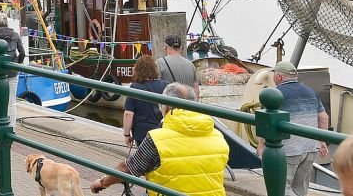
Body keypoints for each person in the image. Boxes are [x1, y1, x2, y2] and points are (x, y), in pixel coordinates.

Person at [91, 83, 229, 195]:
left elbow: (128, 168)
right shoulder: (218, 137)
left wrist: (102, 182)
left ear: (166, 107)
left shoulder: (156, 139)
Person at [258, 61, 330, 196]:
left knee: (282, 188)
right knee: (300, 188)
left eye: (274, 74)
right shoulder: (311, 91)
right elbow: (324, 118)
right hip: (311, 148)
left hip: (288, 150)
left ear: (279, 76)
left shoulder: (274, 94)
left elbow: (266, 122)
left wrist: (261, 146)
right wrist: (322, 141)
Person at [124, 55, 169, 146]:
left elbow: (128, 114)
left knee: (143, 155)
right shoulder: (165, 85)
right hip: (161, 131)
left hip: (142, 132)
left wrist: (127, 134)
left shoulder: (134, 87)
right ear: (154, 69)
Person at [0, 12, 26, 123]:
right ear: (7, 22)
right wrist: (17, 63)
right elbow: (22, 53)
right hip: (13, 71)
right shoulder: (15, 35)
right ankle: (12, 126)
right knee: (12, 101)